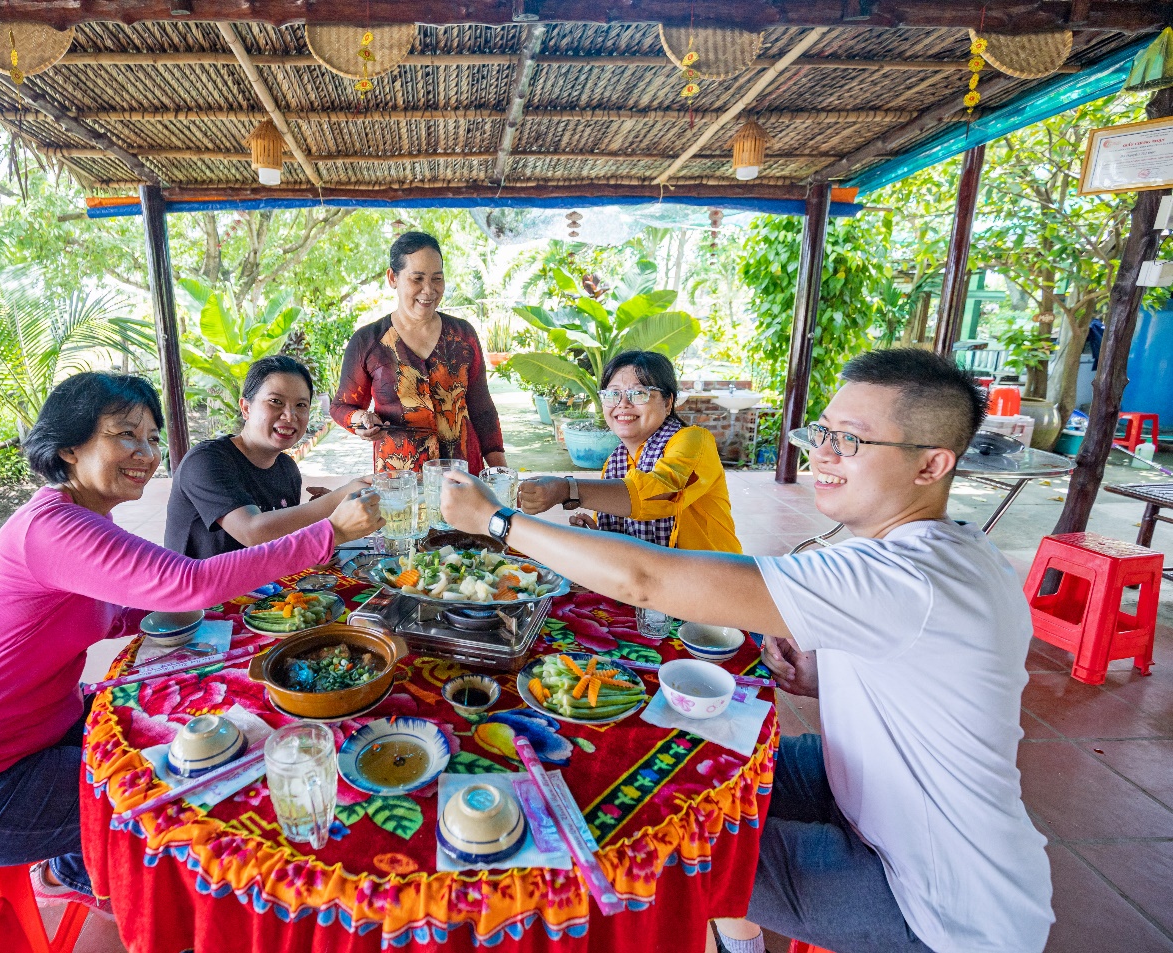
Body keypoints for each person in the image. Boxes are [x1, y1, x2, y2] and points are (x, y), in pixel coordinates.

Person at [438, 349, 1053, 953]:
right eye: (822, 433)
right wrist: (828, 677)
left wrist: (498, 521)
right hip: (871, 789)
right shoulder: (955, 551)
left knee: (658, 845)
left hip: (933, 903)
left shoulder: (904, 576)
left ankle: (738, 944)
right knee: (671, 772)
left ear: (931, 465)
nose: (822, 454)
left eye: (851, 441)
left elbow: (646, 580)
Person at [0, 372, 381, 913]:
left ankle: (77, 858)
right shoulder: (52, 527)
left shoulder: (79, 519)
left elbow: (127, 611)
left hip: (41, 729)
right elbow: (189, 582)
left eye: (150, 438)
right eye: (125, 434)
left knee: (203, 732)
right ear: (69, 447)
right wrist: (329, 532)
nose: (144, 452)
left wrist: (240, 606)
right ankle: (87, 872)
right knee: (177, 791)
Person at [516, 350, 740, 553]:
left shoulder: (693, 440)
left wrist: (567, 489)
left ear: (668, 403)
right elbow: (628, 533)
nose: (623, 403)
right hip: (650, 578)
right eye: (613, 394)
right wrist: (598, 535)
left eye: (639, 393)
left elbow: (660, 494)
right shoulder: (616, 462)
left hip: (710, 576)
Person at [331, 231, 507, 473]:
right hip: (400, 480)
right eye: (417, 279)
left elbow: (482, 409)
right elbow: (341, 406)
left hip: (464, 476)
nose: (429, 290)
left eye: (437, 278)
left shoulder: (463, 335)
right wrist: (362, 421)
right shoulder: (368, 341)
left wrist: (503, 475)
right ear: (392, 278)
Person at [165, 355, 374, 558]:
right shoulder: (206, 461)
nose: (290, 416)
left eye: (301, 405)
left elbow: (280, 545)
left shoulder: (287, 469)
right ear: (246, 408)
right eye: (275, 401)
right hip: (201, 582)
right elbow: (253, 532)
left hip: (260, 581)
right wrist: (337, 498)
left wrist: (326, 520)